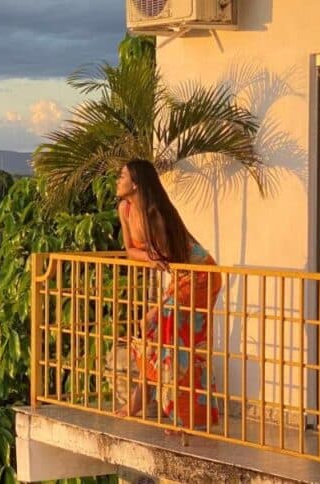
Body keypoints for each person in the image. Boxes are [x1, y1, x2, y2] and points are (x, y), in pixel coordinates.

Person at [114, 159, 221, 432]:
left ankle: (182, 417)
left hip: (199, 275)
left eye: (122, 176)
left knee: (164, 335)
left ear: (136, 183)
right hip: (182, 276)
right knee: (163, 338)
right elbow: (130, 250)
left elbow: (177, 263)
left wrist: (160, 304)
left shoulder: (155, 215)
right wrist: (149, 256)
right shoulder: (125, 209)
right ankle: (175, 411)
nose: (118, 181)